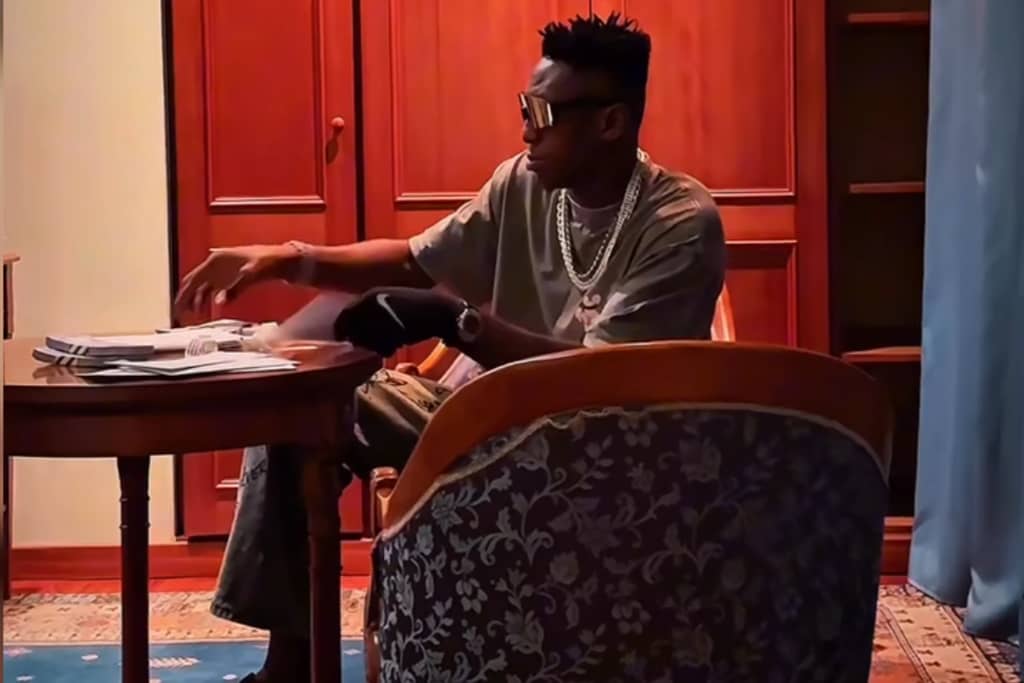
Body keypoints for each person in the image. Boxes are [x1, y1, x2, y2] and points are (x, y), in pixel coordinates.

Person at [175, 12, 725, 682]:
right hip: (484, 418)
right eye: (524, 108)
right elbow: (415, 260)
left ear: (610, 122)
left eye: (543, 112)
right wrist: (286, 258)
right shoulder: (522, 183)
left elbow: (596, 383)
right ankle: (290, 669)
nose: (526, 128)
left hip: (603, 451)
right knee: (298, 408)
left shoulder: (678, 221)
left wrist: (456, 322)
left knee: (358, 402)